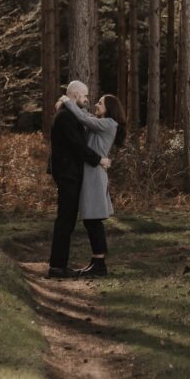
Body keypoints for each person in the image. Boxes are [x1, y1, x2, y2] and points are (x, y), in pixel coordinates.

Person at [57, 92, 126, 277]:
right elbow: (86, 116)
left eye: (100, 103)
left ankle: (99, 263)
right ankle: (96, 261)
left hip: (95, 175)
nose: (96, 104)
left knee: (93, 220)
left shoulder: (109, 123)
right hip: (91, 173)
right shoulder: (101, 123)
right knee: (90, 219)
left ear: (109, 108)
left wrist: (67, 101)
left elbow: (83, 118)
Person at [47, 81, 111, 279]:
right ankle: (57, 267)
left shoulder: (69, 114)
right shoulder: (66, 116)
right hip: (67, 174)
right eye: (84, 96)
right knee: (65, 219)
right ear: (75, 95)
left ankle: (59, 265)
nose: (86, 99)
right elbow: (77, 146)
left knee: (67, 219)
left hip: (69, 173)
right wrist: (98, 159)